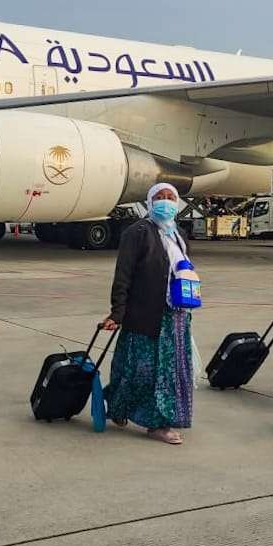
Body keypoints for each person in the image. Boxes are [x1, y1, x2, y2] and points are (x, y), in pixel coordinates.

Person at [101, 183, 195, 445]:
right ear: (150, 202)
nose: (166, 201)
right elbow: (124, 274)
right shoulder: (139, 232)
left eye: (171, 197)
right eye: (160, 197)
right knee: (142, 371)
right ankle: (144, 418)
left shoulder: (178, 234)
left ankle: (140, 416)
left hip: (175, 315)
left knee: (163, 372)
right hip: (146, 314)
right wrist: (117, 312)